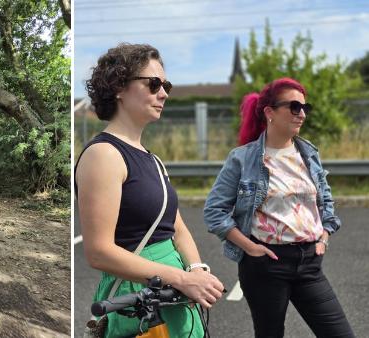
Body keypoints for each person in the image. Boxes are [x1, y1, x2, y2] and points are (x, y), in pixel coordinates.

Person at [75, 43, 224, 338]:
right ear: (119, 87)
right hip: (143, 306)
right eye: (154, 83)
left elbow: (176, 228)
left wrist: (196, 270)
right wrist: (181, 278)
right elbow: (99, 252)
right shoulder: (103, 155)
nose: (164, 93)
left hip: (175, 295)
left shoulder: (152, 159)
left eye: (165, 85)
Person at [203, 78, 354, 338]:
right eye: (294, 107)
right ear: (269, 112)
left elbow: (325, 201)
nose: (302, 114)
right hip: (266, 265)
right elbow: (214, 212)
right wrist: (250, 247)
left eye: (306, 107)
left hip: (310, 263)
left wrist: (325, 236)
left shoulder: (308, 154)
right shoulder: (243, 158)